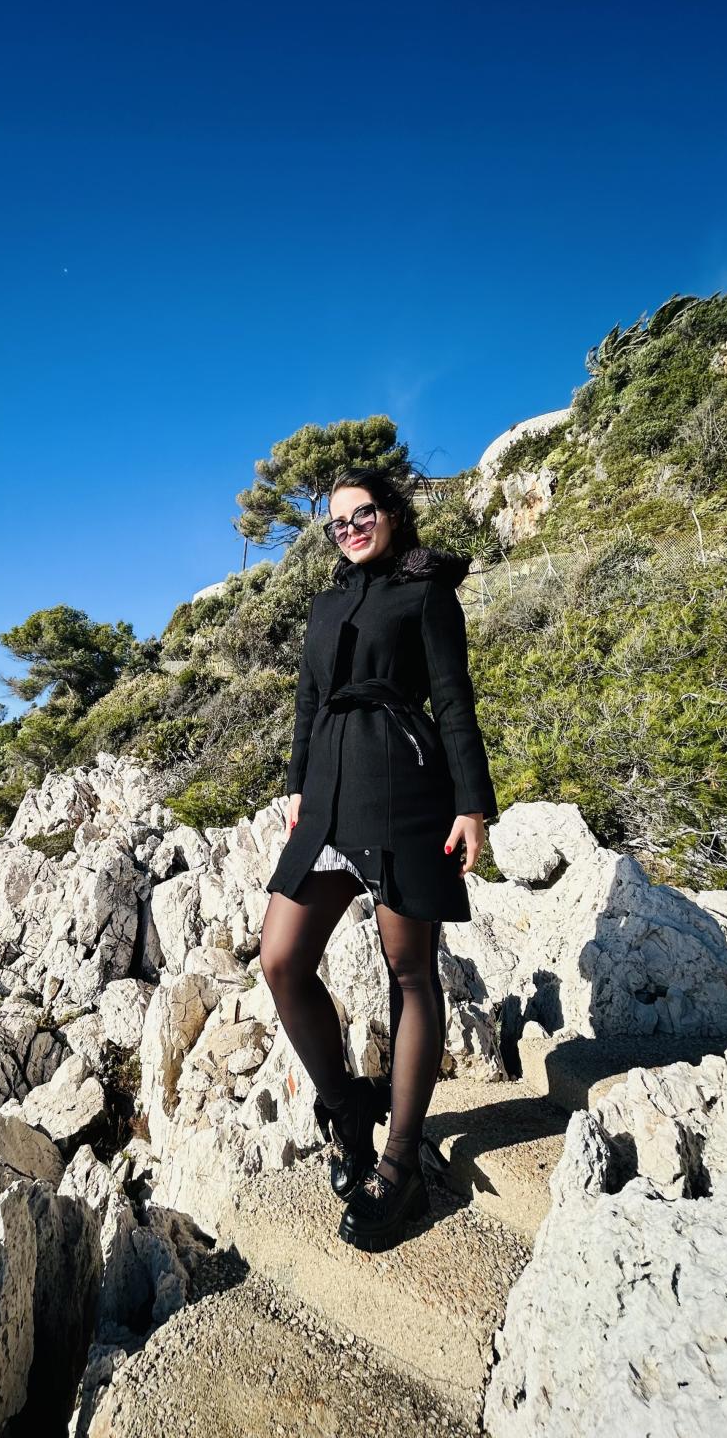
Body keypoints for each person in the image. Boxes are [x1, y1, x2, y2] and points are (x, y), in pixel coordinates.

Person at [259, 464, 499, 1253]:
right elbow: (306, 701)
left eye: (362, 514)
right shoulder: (326, 603)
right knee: (280, 959)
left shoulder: (426, 592)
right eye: (338, 523)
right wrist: (297, 786)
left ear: (392, 512)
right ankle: (347, 1105)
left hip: (404, 786)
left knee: (410, 972)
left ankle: (400, 1165)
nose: (351, 529)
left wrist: (472, 804)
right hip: (327, 793)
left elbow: (454, 699)